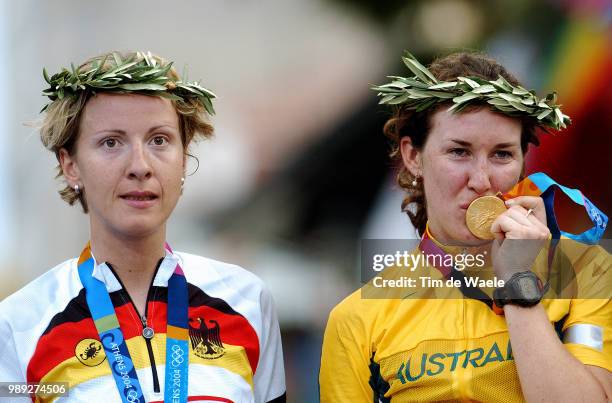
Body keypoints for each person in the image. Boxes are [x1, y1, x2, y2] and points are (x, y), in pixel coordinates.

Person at [319, 52, 611, 402]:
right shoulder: (357, 317)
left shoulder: (586, 271)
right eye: (459, 152)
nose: (482, 180)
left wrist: (519, 286)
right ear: (413, 157)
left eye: (502, 154)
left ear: (523, 162)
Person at [0, 51, 286, 403]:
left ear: (184, 157)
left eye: (159, 140)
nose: (140, 166)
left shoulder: (248, 302)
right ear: (70, 164)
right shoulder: (17, 325)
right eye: (111, 142)